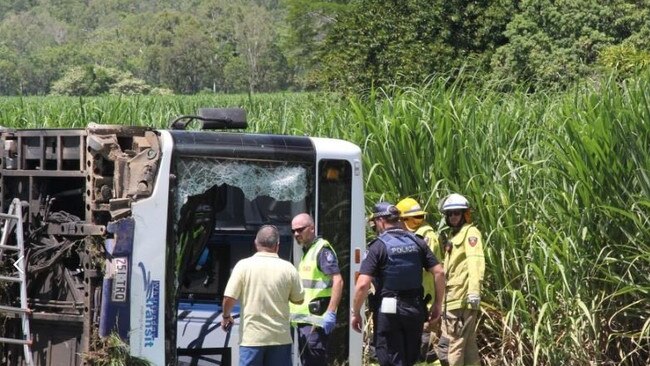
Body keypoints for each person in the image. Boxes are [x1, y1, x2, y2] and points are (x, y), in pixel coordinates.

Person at [351, 202, 445, 366]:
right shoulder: (418, 242)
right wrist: (437, 304)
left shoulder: (378, 247)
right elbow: (439, 272)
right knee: (409, 360)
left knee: (390, 358)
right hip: (415, 309)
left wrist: (355, 312)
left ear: (380, 221)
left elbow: (362, 284)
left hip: (389, 312)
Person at [221, 225, 304, 366]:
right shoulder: (288, 268)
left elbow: (229, 298)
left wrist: (225, 316)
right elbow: (299, 299)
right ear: (277, 245)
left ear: (256, 243)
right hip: (280, 338)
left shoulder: (243, 266)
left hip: (252, 339)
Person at [436, 193, 485, 366]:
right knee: (469, 347)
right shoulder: (455, 235)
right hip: (454, 298)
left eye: (456, 213)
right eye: (449, 214)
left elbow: (475, 261)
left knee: (452, 346)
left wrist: (474, 291)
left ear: (464, 214)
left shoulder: (470, 233)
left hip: (461, 299)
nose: (453, 217)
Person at [289, 213, 344, 366]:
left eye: (300, 229)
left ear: (312, 228)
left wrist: (331, 312)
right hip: (305, 322)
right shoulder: (308, 252)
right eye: (293, 231)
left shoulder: (321, 251)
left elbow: (338, 280)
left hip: (316, 323)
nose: (296, 234)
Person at [396, 197, 443, 363]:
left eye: (419, 218)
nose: (418, 221)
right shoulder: (415, 236)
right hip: (415, 300)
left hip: (424, 299)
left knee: (424, 346)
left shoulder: (425, 236)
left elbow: (430, 269)